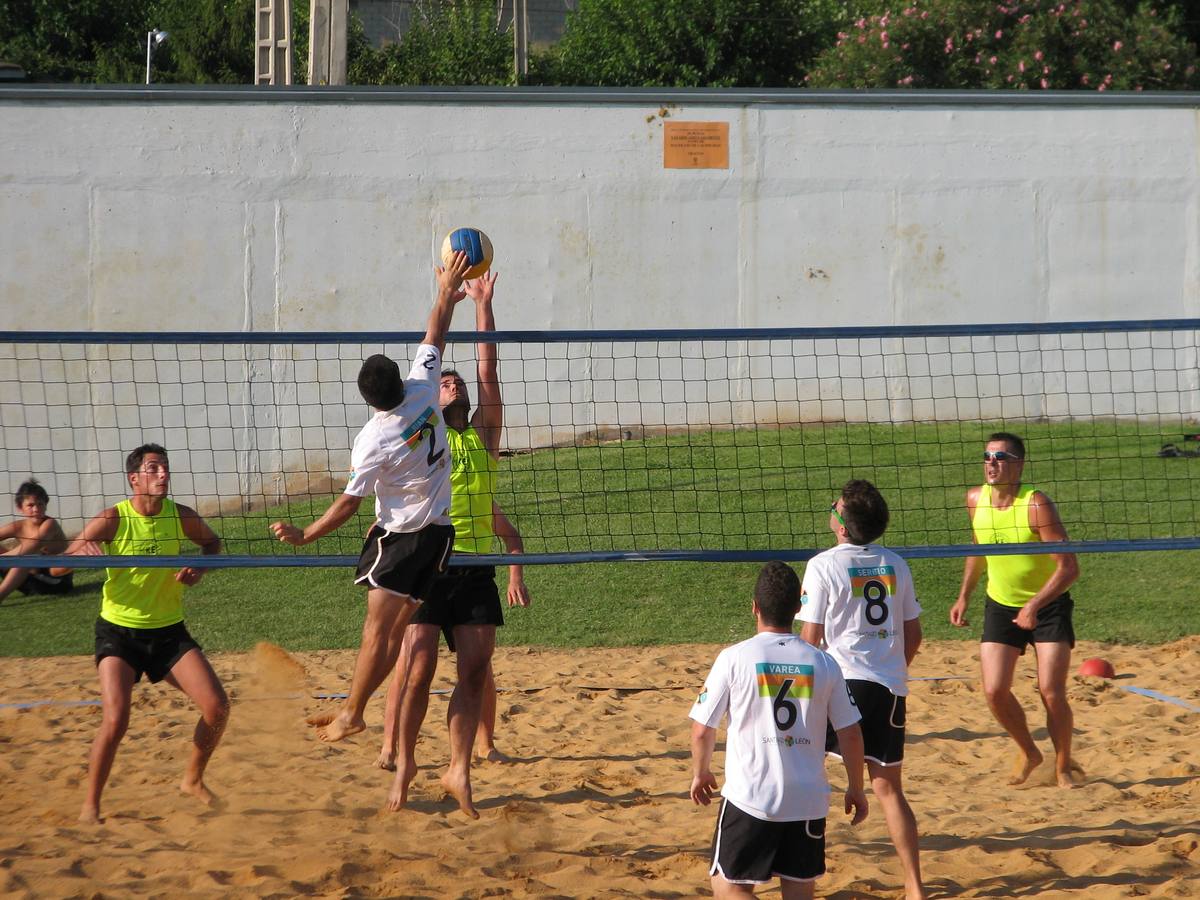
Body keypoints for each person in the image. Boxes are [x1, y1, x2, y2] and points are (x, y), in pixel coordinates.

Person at [270, 251, 471, 745]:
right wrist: (447, 291)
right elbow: (436, 332)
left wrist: (306, 534)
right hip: (439, 536)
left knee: (376, 636)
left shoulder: (372, 439)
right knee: (392, 635)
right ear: (400, 378)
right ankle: (355, 710)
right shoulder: (424, 390)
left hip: (400, 539)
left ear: (369, 401)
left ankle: (354, 712)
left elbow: (347, 504)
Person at [383, 269, 523, 818]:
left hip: (476, 567)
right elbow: (427, 366)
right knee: (416, 668)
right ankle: (406, 763)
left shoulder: (484, 438)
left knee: (474, 669)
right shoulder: (425, 434)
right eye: (445, 383)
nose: (454, 384)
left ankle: (458, 767)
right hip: (428, 563)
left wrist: (483, 305)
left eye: (456, 383)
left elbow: (487, 368)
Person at [60, 444, 226, 824]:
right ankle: (91, 806)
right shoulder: (111, 519)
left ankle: (192, 780)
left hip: (168, 631)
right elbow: (56, 569)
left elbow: (213, 544)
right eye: (154, 468)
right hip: (119, 633)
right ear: (134, 478)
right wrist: (75, 556)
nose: (163, 474)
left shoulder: (180, 516)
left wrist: (200, 567)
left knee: (217, 708)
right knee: (117, 718)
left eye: (165, 468)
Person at [690, 561, 868, 899]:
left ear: (754, 607)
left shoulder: (734, 657)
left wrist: (700, 773)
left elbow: (702, 730)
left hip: (751, 797)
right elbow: (851, 733)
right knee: (799, 892)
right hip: (808, 799)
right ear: (799, 608)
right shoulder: (824, 662)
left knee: (727, 886)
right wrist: (856, 788)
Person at [799, 480, 926, 899]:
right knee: (889, 789)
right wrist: (892, 669)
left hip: (842, 686)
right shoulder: (895, 564)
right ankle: (914, 888)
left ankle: (801, 878)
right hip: (889, 688)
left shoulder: (823, 566)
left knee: (805, 778)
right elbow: (914, 634)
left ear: (841, 525)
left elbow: (811, 640)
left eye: (834, 505)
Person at [950, 432, 1081, 788]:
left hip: (1047, 605)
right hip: (1000, 604)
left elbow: (1068, 567)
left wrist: (1034, 605)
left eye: (1002, 457)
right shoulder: (976, 499)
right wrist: (964, 596)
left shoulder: (1036, 504)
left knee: (1050, 690)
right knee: (994, 690)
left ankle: (1064, 766)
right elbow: (978, 549)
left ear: (1019, 464)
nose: (992, 463)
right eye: (988, 456)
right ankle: (1030, 752)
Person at [374, 501, 529, 772]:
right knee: (410, 665)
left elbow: (511, 536)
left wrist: (515, 578)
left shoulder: (479, 503)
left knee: (480, 669)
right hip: (427, 574)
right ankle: (389, 747)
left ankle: (486, 744)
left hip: (472, 574)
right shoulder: (421, 503)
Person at [0, 479, 72, 602]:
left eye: (40, 504)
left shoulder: (49, 524)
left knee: (28, 557)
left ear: (46, 505)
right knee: (25, 557)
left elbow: (34, 544)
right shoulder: (18, 526)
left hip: (56, 582)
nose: (36, 509)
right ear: (20, 508)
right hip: (29, 580)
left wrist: (3, 559)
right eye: (31, 505)